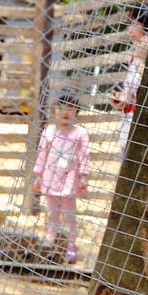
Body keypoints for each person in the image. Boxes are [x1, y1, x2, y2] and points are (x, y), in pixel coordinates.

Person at [33, 89, 90, 264]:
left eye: (71, 108)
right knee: (51, 214)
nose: (65, 112)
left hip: (70, 179)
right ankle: (51, 245)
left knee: (68, 214)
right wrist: (38, 175)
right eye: (61, 107)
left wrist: (83, 177)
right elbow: (42, 154)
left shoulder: (80, 133)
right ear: (54, 110)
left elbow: (84, 155)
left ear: (77, 111)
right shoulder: (49, 131)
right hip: (50, 177)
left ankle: (71, 245)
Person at [110, 0, 148, 159]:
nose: (129, 29)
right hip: (130, 127)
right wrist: (121, 100)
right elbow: (131, 96)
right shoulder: (134, 57)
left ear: (146, 27)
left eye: (134, 23)